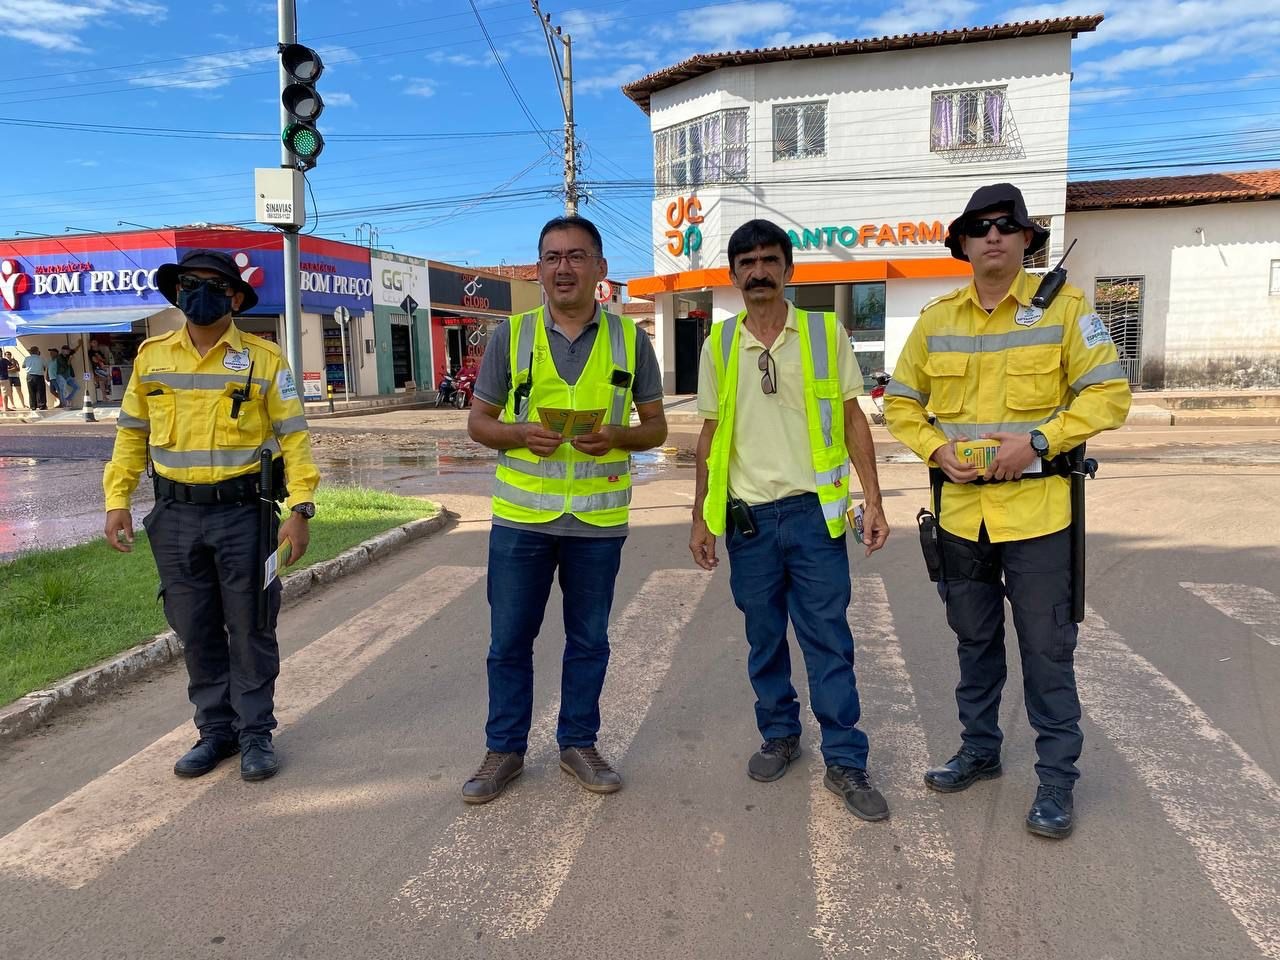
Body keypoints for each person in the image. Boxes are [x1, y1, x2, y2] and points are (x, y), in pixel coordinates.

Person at [884, 183, 1131, 839]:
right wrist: (937, 451)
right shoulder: (937, 320)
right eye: (980, 226)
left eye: (1006, 225)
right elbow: (901, 403)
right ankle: (980, 749)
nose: (993, 235)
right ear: (963, 243)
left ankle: (1056, 781)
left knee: (1048, 652)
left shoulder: (1068, 309)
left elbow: (1109, 395)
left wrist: (1040, 442)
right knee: (975, 645)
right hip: (963, 516)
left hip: (1040, 516)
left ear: (1027, 239)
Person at [689, 219, 892, 823]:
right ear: (732, 275)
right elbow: (708, 432)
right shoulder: (719, 345)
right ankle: (779, 733)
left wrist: (873, 500)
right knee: (763, 638)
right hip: (747, 521)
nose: (757, 272)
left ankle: (845, 759)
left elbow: (854, 420)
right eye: (746, 262)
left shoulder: (826, 334)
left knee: (828, 639)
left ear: (788, 270)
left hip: (814, 520)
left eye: (769, 260)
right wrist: (703, 518)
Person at [462, 215, 667, 804]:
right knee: (508, 642)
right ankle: (504, 750)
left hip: (598, 525)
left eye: (577, 256)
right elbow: (478, 423)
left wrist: (619, 437)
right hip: (521, 521)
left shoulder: (632, 340)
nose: (563, 267)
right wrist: (519, 432)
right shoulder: (512, 335)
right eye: (552, 257)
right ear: (539, 269)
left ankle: (579, 743)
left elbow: (655, 427)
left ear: (601, 270)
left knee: (589, 641)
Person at [103, 249, 320, 783]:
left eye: (212, 285)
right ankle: (215, 732)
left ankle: (255, 735)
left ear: (234, 297)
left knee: (250, 625)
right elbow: (131, 435)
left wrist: (301, 508)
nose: (198, 293)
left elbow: (294, 438)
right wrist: (117, 500)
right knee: (195, 627)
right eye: (189, 283)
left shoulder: (266, 361)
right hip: (174, 516)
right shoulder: (151, 358)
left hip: (243, 514)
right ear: (176, 293)